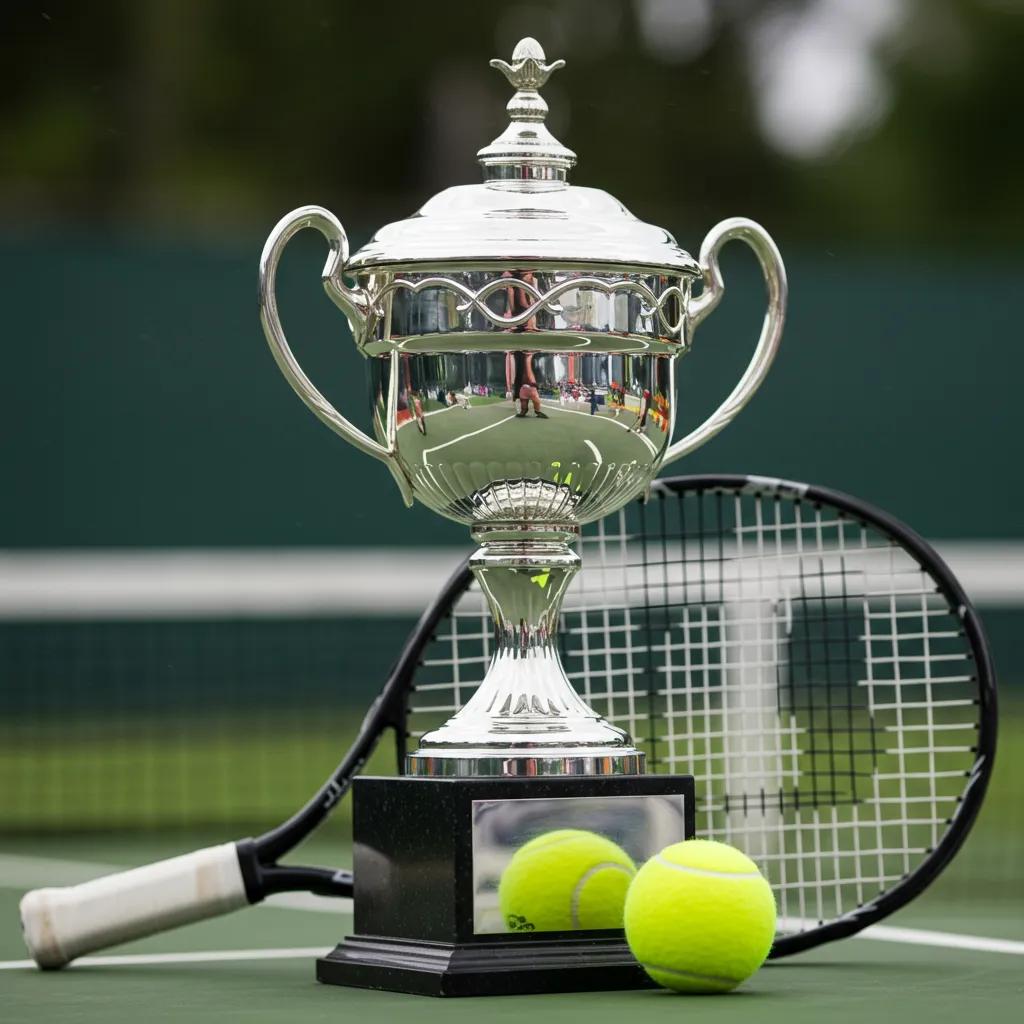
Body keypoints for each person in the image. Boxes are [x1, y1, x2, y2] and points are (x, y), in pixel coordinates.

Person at [512, 350, 547, 418]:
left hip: (525, 389)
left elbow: (536, 403)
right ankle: (528, 356)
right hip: (529, 389)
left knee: (527, 374)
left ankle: (528, 356)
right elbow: (536, 403)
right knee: (528, 373)